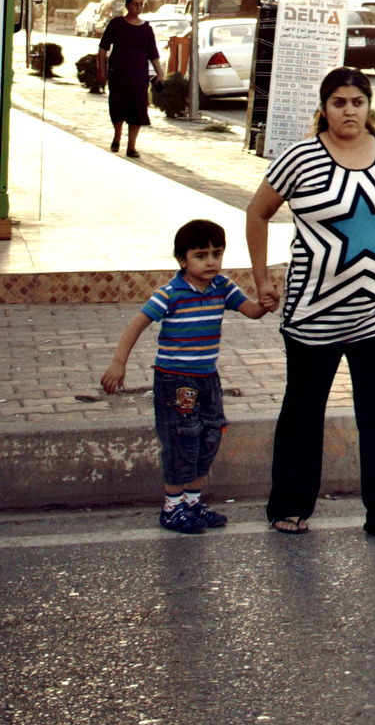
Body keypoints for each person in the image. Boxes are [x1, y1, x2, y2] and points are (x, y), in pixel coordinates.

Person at [244, 66, 375, 542]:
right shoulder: (299, 158)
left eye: (357, 101)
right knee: (303, 410)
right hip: (312, 312)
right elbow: (257, 212)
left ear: (368, 107)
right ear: (325, 107)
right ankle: (290, 505)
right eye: (339, 102)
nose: (349, 110)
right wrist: (262, 279)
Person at [99, 217, 271, 533]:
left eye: (217, 254)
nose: (211, 262)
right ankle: (172, 507)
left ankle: (192, 502)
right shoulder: (170, 293)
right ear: (182, 260)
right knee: (181, 440)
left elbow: (250, 310)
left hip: (208, 379)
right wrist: (118, 363)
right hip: (175, 381)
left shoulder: (223, 287)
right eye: (201, 255)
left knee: (208, 436)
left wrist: (266, 303)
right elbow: (136, 325)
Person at [98, 0, 161, 159]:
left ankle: (131, 146)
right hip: (118, 74)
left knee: (137, 109)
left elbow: (153, 53)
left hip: (139, 76)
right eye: (135, 4)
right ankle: (117, 135)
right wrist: (101, 70)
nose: (138, 7)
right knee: (117, 107)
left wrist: (160, 72)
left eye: (141, 4)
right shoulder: (116, 24)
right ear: (127, 6)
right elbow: (103, 48)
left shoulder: (146, 29)